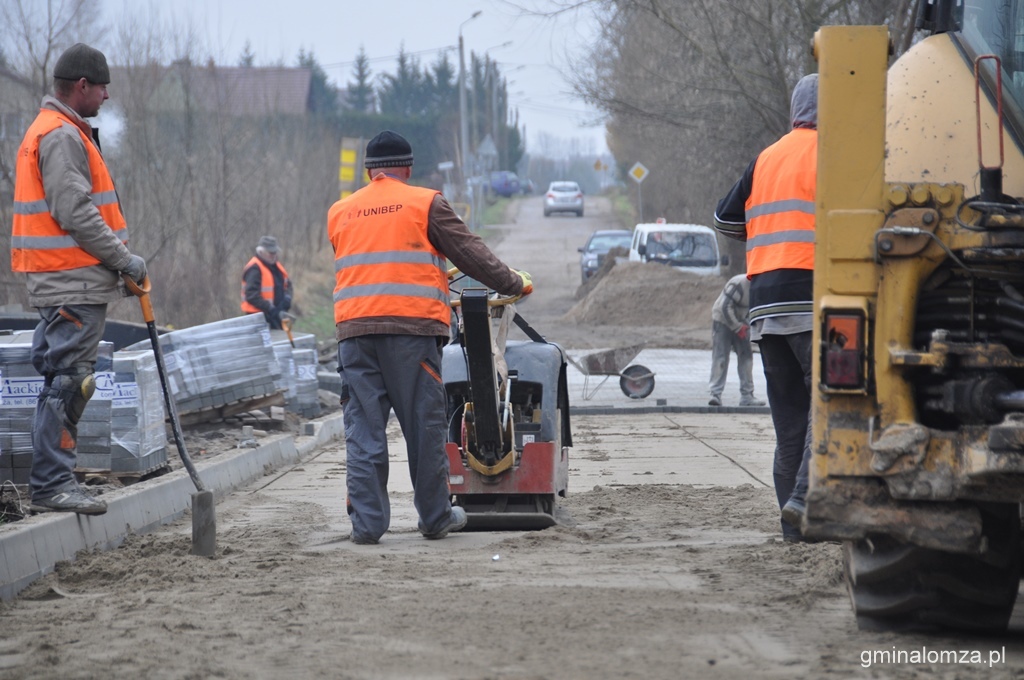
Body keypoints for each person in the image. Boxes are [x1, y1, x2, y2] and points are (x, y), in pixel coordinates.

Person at [327, 130, 531, 544]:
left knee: (363, 432)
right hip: (412, 334)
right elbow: (470, 253)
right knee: (424, 427)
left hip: (354, 335)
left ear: (368, 171)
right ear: (408, 167)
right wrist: (514, 282)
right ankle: (436, 517)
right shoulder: (426, 202)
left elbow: (372, 263)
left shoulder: (340, 211)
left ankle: (367, 526)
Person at [11, 44, 147, 515]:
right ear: (82, 86)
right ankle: (52, 485)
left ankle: (54, 480)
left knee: (62, 381)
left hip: (66, 279)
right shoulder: (61, 135)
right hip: (72, 282)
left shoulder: (56, 130)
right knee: (70, 382)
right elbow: (75, 212)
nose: (108, 95)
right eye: (103, 86)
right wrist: (123, 260)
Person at [713, 74, 818, 541]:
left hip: (766, 309)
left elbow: (724, 217)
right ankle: (803, 498)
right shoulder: (841, 154)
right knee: (830, 412)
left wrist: (759, 234)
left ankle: (791, 528)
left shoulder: (767, 157)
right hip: (818, 302)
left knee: (790, 426)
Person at [708, 274, 765, 408]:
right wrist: (737, 327)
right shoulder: (739, 283)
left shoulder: (761, 287)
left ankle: (747, 396)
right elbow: (724, 307)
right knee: (720, 358)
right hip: (722, 321)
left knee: (746, 358)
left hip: (741, 322)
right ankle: (715, 394)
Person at [241, 235, 293, 330]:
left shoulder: (276, 266)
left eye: (275, 252)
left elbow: (288, 285)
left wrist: (287, 298)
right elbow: (251, 295)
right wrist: (270, 308)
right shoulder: (254, 268)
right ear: (261, 252)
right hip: (258, 318)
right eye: (271, 252)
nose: (274, 255)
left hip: (276, 316)